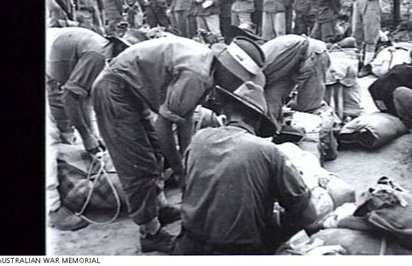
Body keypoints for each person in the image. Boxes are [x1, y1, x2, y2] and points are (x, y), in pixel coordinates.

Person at [91, 36, 265, 253]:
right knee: (137, 162)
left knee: (155, 153)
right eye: (239, 80)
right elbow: (164, 126)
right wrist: (180, 170)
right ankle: (149, 233)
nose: (238, 87)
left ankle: (158, 208)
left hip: (131, 90)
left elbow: (185, 116)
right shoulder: (197, 75)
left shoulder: (206, 69)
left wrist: (187, 158)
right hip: (115, 89)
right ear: (229, 70)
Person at [174, 76, 317, 254]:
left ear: (225, 111)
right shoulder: (268, 151)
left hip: (188, 246)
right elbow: (309, 215)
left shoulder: (199, 138)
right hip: (238, 251)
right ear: (257, 122)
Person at [46, 27, 148, 231]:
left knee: (63, 138)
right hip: (49, 69)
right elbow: (70, 96)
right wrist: (87, 137)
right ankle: (53, 209)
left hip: (52, 72)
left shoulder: (104, 54)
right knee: (48, 138)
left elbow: (80, 95)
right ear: (121, 47)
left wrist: (90, 134)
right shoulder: (99, 55)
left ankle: (63, 180)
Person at [262, 34, 330, 128]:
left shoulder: (251, 71)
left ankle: (312, 134)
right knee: (271, 102)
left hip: (312, 53)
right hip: (286, 63)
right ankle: (273, 131)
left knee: (308, 106)